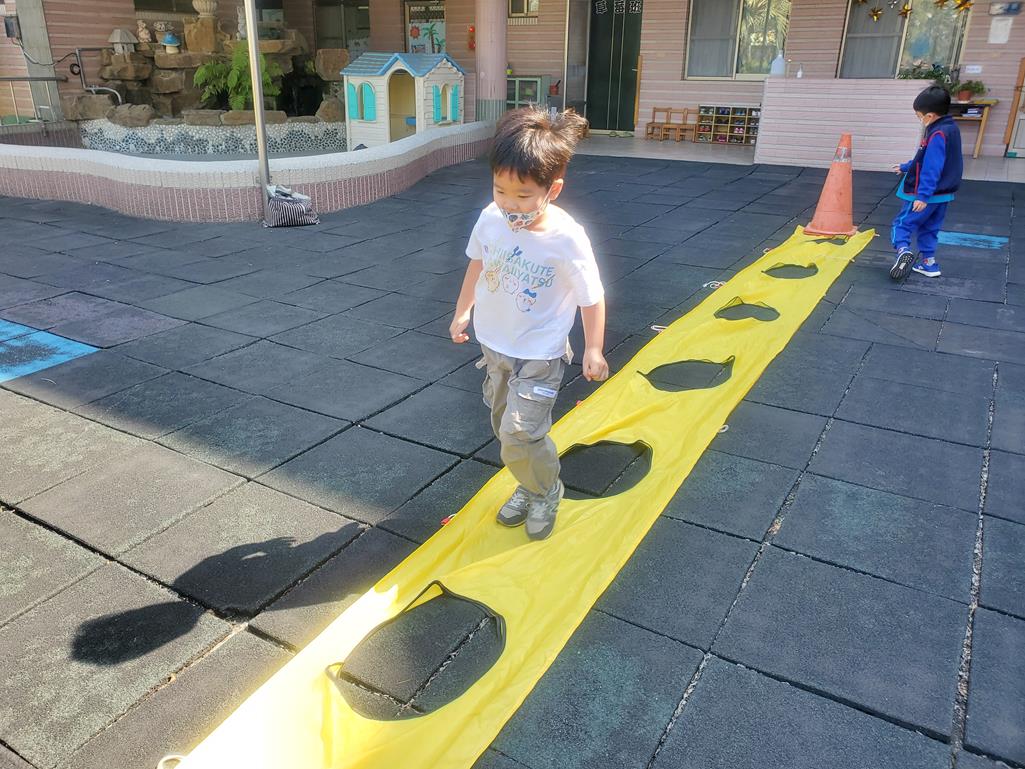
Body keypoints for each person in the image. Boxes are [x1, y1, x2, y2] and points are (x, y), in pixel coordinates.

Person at [449, 106, 609, 541]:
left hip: (539, 354)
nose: (508, 203)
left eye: (522, 196)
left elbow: (591, 296)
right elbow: (477, 263)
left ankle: (546, 490)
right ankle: (530, 482)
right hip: (495, 347)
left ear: (552, 190)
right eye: (500, 189)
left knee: (520, 433)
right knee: (505, 429)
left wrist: (594, 348)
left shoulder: (567, 238)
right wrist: (463, 309)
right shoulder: (490, 217)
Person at [889, 85, 963, 280]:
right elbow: (926, 158)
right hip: (943, 195)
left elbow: (932, 166)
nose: (919, 119)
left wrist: (922, 196)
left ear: (929, 116)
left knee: (902, 224)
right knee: (930, 228)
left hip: (924, 194)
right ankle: (929, 263)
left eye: (919, 116)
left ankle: (903, 250)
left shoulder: (937, 134)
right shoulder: (951, 129)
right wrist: (906, 166)